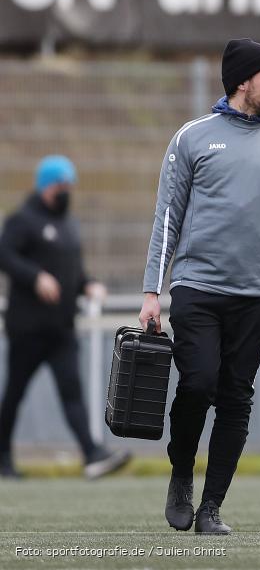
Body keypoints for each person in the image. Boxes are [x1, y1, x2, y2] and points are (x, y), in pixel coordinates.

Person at [139, 38, 260, 535]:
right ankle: (181, 474)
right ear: (243, 81)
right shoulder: (192, 138)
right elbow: (167, 218)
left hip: (258, 294)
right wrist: (153, 292)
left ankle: (212, 507)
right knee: (198, 383)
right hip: (196, 288)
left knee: (236, 397)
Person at [0, 155, 131, 480]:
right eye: (61, 185)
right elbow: (5, 255)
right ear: (46, 185)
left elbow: (74, 272)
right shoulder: (23, 221)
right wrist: (35, 277)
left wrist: (88, 284)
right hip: (28, 328)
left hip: (61, 328)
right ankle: (2, 458)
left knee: (71, 392)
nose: (66, 191)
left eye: (69, 185)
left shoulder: (68, 225)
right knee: (14, 394)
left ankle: (91, 454)